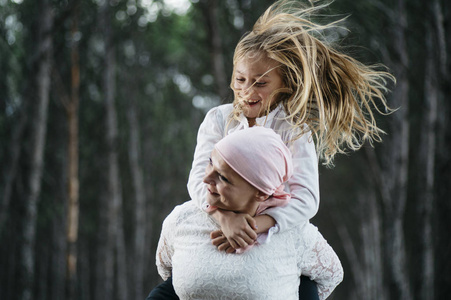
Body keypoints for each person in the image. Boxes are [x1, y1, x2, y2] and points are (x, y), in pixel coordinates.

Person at [148, 0, 393, 298]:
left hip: (273, 226)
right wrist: (226, 219)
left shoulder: (295, 130)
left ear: (285, 84)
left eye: (261, 83)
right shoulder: (218, 119)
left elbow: (306, 199)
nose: (247, 91)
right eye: (240, 79)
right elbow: (199, 178)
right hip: (221, 213)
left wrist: (258, 224)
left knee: (305, 286)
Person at [152, 127, 343, 300]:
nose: (206, 178)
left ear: (261, 192)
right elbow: (168, 271)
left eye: (224, 178)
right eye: (210, 162)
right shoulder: (182, 219)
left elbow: (331, 275)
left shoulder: (294, 232)